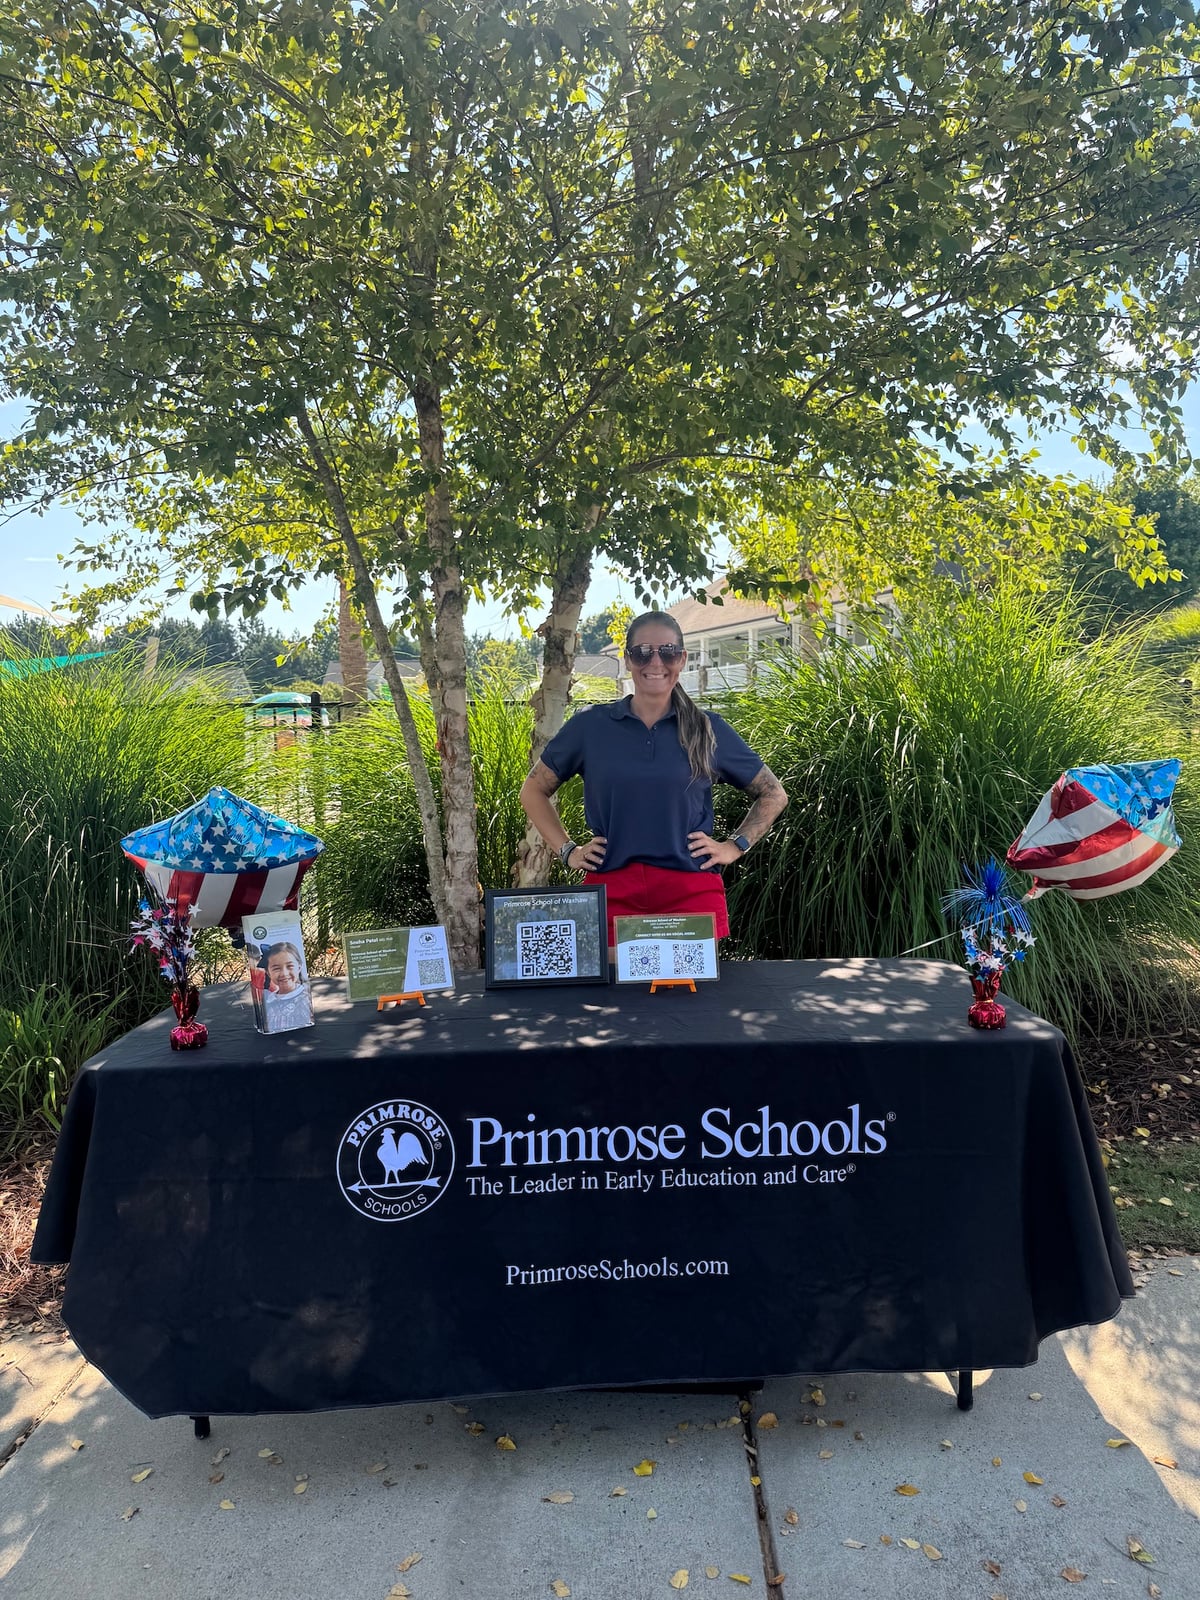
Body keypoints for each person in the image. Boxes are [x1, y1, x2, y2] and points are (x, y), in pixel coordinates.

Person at [519, 610, 788, 947]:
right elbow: (533, 790)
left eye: (668, 652)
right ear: (628, 659)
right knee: (609, 997)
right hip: (611, 889)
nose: (655, 662)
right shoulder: (590, 727)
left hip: (690, 892)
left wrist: (735, 846)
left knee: (692, 998)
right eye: (642, 652)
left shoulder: (708, 729)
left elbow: (773, 793)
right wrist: (567, 850)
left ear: (683, 659)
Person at [260, 940, 314, 1032]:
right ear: (268, 973)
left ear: (299, 967)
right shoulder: (268, 1000)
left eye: (290, 966)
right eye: (276, 968)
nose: (284, 974)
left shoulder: (304, 999)